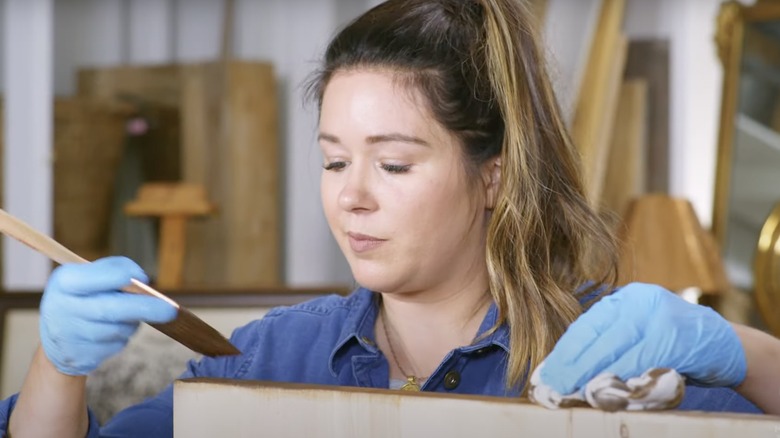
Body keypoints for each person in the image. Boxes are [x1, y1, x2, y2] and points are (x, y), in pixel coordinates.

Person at [3, 0, 780, 436]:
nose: (351, 196)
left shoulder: (618, 358)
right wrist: (56, 366)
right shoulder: (276, 355)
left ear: (493, 178)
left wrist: (736, 350)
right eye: (335, 160)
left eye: (395, 163)